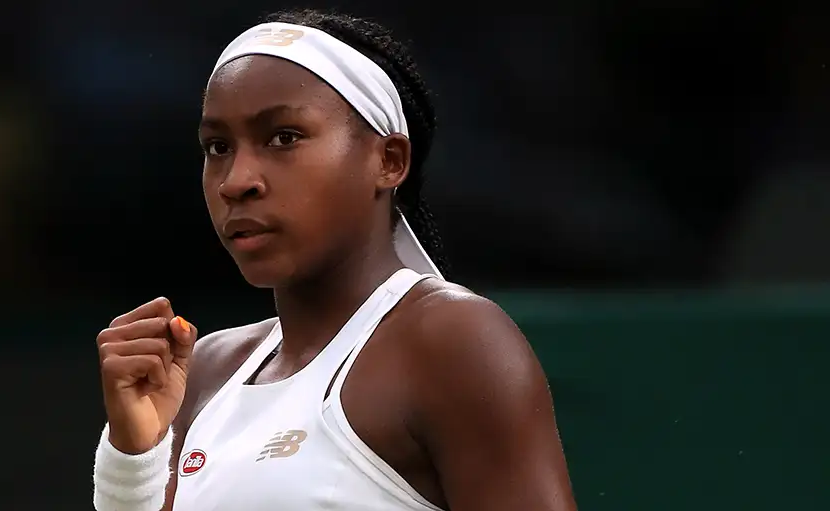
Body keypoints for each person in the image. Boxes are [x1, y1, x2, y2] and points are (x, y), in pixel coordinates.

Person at [92, 9, 576, 511]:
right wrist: (132, 460)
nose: (236, 181)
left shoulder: (453, 343)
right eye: (218, 147)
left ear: (389, 161)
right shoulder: (205, 371)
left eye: (284, 137)